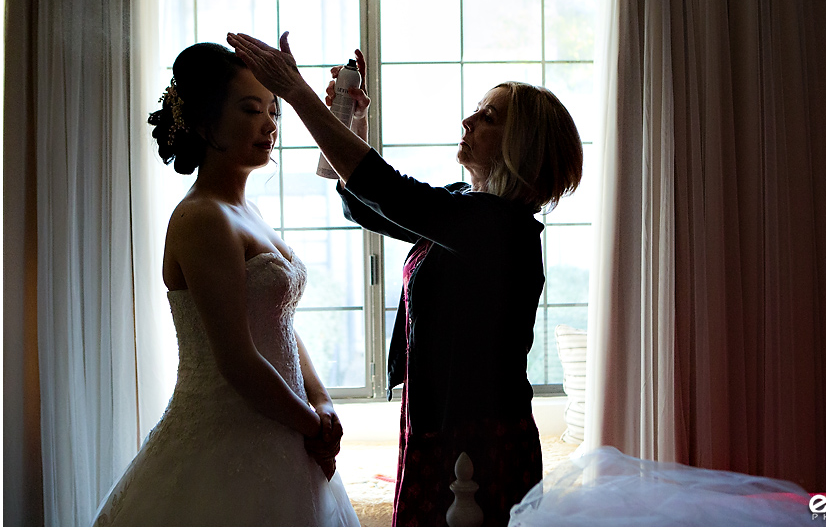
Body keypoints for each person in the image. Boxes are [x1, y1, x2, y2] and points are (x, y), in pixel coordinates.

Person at [227, 31, 583, 527]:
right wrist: (354, 118)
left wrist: (298, 92)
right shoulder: (469, 207)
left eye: (488, 117)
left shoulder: (500, 227)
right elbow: (368, 206)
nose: (468, 120)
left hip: (476, 435)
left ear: (521, 145)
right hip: (442, 418)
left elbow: (390, 192)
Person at [91, 42, 360, 527]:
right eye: (251, 109)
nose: (270, 124)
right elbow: (236, 359)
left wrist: (321, 398)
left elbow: (276, 324)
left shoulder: (248, 212)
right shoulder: (201, 218)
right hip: (228, 439)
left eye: (273, 111)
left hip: (284, 425)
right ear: (203, 122)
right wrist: (312, 426)